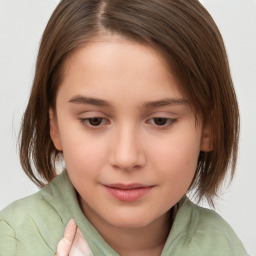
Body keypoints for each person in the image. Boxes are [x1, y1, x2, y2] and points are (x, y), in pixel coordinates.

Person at [0, 0, 249, 255]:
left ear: (208, 128)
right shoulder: (12, 240)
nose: (126, 157)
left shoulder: (221, 244)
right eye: (94, 120)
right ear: (54, 127)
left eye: (160, 120)